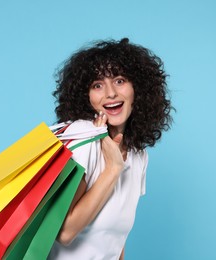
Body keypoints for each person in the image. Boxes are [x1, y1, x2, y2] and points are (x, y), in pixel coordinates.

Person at [48, 38, 173, 260]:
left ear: (138, 88)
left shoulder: (138, 155)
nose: (110, 93)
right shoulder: (84, 142)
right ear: (86, 96)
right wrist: (113, 168)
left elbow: (115, 242)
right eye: (97, 85)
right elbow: (64, 232)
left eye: (119, 80)